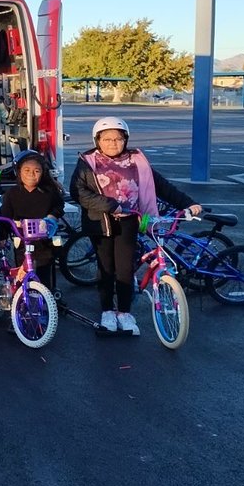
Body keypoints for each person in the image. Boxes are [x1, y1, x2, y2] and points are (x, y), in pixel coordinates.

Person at [70, 117, 201, 335]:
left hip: (129, 222)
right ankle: (107, 311)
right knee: (106, 269)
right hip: (100, 223)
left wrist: (189, 203)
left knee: (124, 268)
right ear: (97, 140)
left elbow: (162, 186)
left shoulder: (137, 161)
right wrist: (110, 206)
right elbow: (79, 192)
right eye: (107, 139)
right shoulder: (88, 162)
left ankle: (124, 312)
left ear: (126, 139)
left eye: (118, 139)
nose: (113, 143)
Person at [0, 150, 65, 291]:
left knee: (45, 273)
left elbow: (59, 206)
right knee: (23, 271)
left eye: (36, 171)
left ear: (42, 173)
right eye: (26, 170)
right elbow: (5, 216)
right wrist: (2, 237)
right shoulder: (12, 194)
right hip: (22, 239)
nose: (31, 175)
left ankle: (47, 299)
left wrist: (51, 217)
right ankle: (22, 300)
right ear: (19, 172)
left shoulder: (49, 192)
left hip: (44, 240)